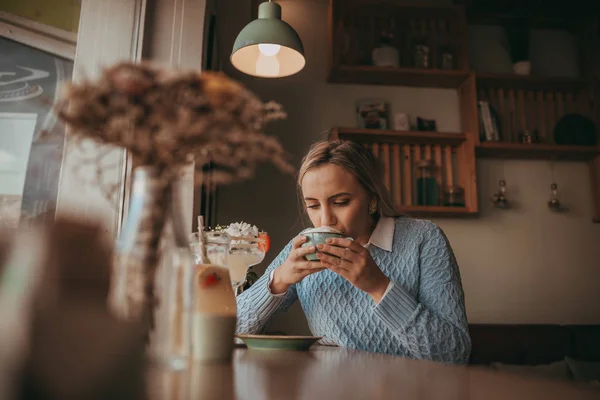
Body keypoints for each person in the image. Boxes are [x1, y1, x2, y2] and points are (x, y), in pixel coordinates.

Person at [236, 140, 471, 364]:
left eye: (340, 202)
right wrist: (278, 280)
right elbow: (230, 329)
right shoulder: (302, 246)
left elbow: (453, 355)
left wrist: (379, 287)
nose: (325, 219)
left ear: (372, 199)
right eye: (314, 206)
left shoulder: (423, 239)